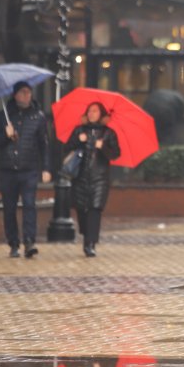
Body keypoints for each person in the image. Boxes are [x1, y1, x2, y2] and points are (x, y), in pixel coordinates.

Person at [0, 81, 51, 258]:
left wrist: (46, 168)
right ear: (15, 95)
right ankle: (13, 242)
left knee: (30, 205)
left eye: (29, 92)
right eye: (23, 92)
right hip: (8, 169)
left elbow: (44, 145)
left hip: (29, 168)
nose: (27, 95)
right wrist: (5, 136)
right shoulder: (3, 116)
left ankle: (29, 241)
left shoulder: (38, 117)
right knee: (9, 207)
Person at [65, 102, 120, 257]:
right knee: (82, 209)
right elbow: (66, 148)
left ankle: (90, 243)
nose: (91, 113)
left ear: (101, 114)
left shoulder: (108, 133)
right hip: (80, 177)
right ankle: (86, 234)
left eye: (95, 111)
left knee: (95, 209)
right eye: (89, 111)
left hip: (99, 178)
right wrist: (78, 140)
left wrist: (103, 147)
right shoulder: (79, 130)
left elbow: (115, 154)